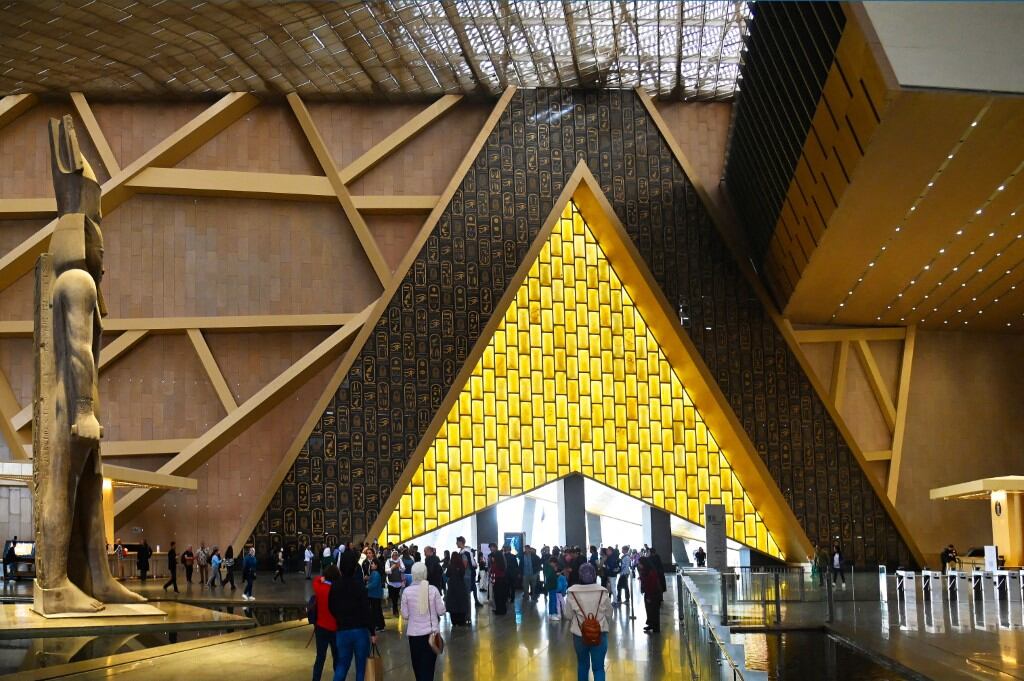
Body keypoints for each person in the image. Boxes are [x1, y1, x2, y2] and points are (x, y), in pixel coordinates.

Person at [329, 551, 376, 681]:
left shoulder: (335, 586)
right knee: (361, 669)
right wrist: (372, 631)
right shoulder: (359, 586)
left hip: (342, 630)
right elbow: (366, 610)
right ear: (355, 567)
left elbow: (331, 607)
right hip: (360, 631)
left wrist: (340, 618)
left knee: (342, 665)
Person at [566, 562, 612, 681]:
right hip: (600, 633)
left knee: (582, 665)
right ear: (595, 575)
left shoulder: (572, 592)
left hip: (579, 634)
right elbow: (609, 613)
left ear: (579, 575)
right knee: (598, 668)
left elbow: (568, 615)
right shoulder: (603, 591)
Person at [401, 562, 446, 681]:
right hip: (432, 635)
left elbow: (405, 615)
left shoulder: (407, 592)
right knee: (429, 669)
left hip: (414, 637)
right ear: (425, 574)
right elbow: (441, 611)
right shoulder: (433, 590)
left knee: (418, 668)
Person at [311, 564, 340, 681]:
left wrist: (322, 578)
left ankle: (316, 679)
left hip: (321, 627)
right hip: (335, 628)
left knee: (320, 657)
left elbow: (315, 579)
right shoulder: (337, 590)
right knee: (337, 657)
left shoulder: (319, 587)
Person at [445, 552, 470, 626]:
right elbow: (463, 574)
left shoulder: (450, 565)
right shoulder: (461, 565)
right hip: (461, 585)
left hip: (452, 586)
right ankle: (461, 621)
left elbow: (447, 574)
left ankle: (454, 621)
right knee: (461, 602)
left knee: (453, 603)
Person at [456, 536, 480, 608]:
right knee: (469, 591)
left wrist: (458, 569)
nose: (456, 543)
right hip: (469, 574)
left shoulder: (464, 552)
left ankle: (467, 611)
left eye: (457, 542)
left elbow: (465, 565)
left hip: (466, 575)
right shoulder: (465, 551)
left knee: (467, 593)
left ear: (460, 542)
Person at [639, 557, 661, 633]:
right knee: (649, 610)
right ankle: (651, 624)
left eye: (640, 563)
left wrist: (649, 596)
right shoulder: (646, 571)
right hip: (649, 593)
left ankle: (656, 628)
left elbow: (652, 585)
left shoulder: (651, 572)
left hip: (653, 594)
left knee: (654, 611)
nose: (639, 565)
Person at [367, 557, 385, 631]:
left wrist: (366, 587)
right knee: (376, 610)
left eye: (373, 564)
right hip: (374, 595)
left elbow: (374, 584)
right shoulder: (374, 573)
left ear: (376, 565)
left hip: (375, 595)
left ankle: (380, 625)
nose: (371, 565)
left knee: (376, 611)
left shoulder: (376, 574)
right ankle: (379, 625)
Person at [386, 550, 405, 616]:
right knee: (393, 597)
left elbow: (403, 569)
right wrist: (392, 567)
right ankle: (395, 609)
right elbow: (386, 571)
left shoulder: (400, 560)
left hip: (398, 583)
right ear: (391, 555)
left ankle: (395, 611)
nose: (395, 556)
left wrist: (399, 566)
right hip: (391, 583)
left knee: (396, 598)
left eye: (396, 555)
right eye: (393, 555)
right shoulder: (388, 561)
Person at [490, 550, 508, 615]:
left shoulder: (495, 564)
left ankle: (499, 610)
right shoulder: (503, 563)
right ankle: (503, 610)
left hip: (497, 581)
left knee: (497, 597)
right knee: (502, 597)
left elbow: (493, 573)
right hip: (503, 581)